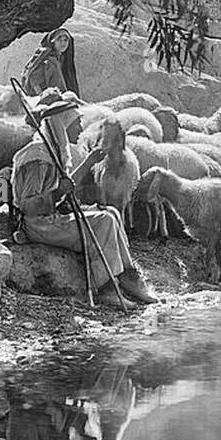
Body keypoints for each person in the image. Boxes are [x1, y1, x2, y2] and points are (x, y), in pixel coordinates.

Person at [11, 89, 157, 305]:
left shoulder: (55, 151)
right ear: (62, 126)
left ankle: (128, 276)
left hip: (53, 215)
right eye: (76, 124)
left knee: (113, 213)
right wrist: (58, 191)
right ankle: (106, 287)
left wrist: (88, 163)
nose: (80, 129)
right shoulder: (39, 158)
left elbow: (63, 186)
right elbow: (29, 205)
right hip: (38, 225)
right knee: (104, 221)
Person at [23, 27, 79, 96]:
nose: (63, 43)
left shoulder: (59, 58)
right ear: (53, 42)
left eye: (65, 40)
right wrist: (42, 96)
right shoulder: (47, 59)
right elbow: (33, 79)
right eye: (59, 40)